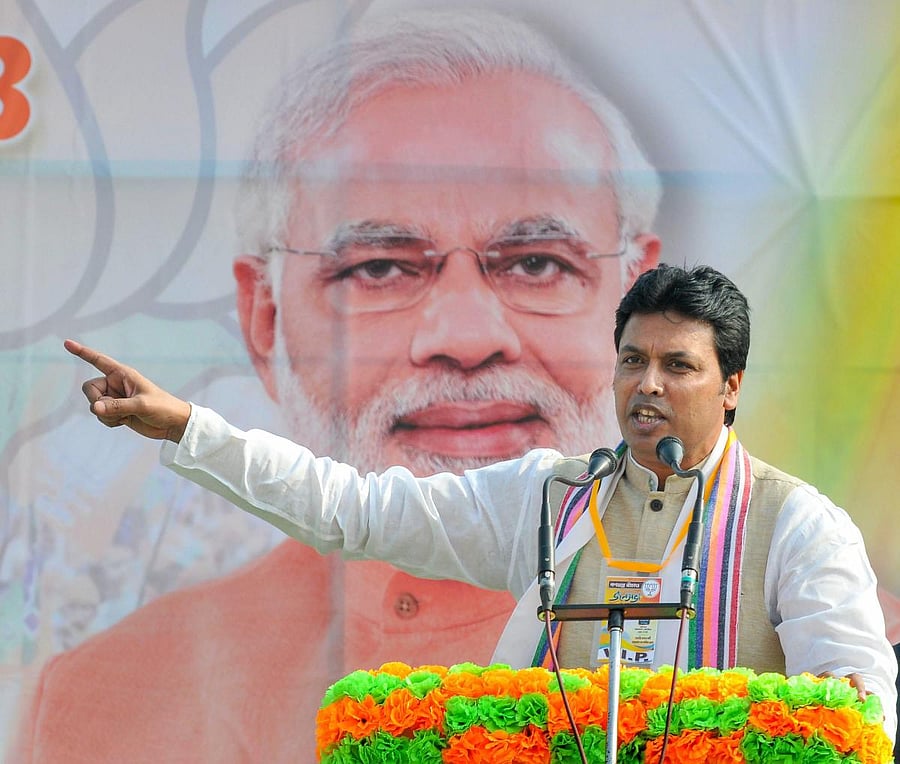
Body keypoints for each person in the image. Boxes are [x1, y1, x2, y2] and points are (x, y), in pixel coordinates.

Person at [10, 10, 661, 762]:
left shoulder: (737, 636)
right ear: (265, 319)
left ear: (640, 302)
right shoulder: (107, 702)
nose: (465, 336)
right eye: (379, 268)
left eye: (538, 264)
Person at [60, 263, 898, 747]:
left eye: (678, 366)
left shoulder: (798, 526)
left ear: (731, 387)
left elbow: (858, 719)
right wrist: (191, 428)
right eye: (631, 361)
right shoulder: (550, 496)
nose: (647, 385)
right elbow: (353, 509)